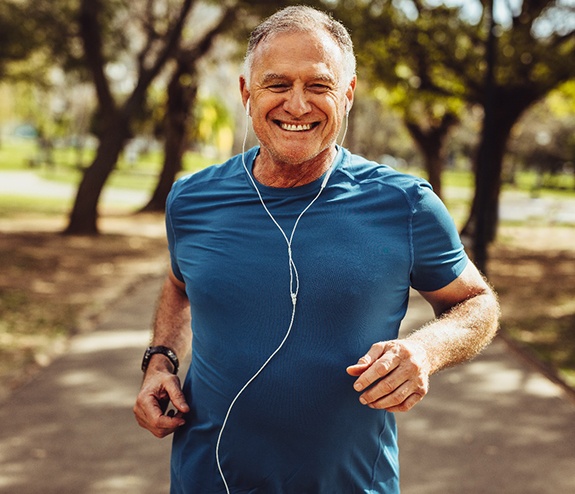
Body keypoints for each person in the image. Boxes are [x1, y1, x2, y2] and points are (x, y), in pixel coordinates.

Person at [134, 6, 500, 493]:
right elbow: (180, 285)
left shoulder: (406, 204)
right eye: (278, 84)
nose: (298, 105)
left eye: (319, 86)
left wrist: (424, 350)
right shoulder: (192, 199)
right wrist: (160, 362)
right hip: (205, 478)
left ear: (347, 95)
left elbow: (477, 303)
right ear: (247, 93)